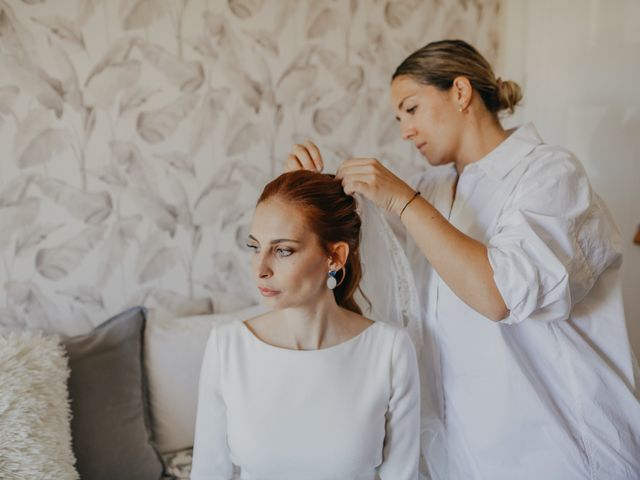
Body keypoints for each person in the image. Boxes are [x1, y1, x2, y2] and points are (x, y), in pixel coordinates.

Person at [286, 39, 640, 479]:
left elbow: (500, 295)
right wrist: (309, 193)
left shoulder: (550, 174)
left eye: (411, 109)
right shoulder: (431, 190)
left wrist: (402, 200)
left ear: (460, 92)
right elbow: (365, 270)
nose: (405, 131)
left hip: (560, 449)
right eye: (399, 118)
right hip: (471, 451)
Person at [190, 170, 421, 480]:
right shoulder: (227, 347)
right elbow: (208, 473)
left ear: (335, 257)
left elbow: (402, 475)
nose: (260, 269)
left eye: (283, 250)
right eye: (255, 247)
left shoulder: (389, 350)